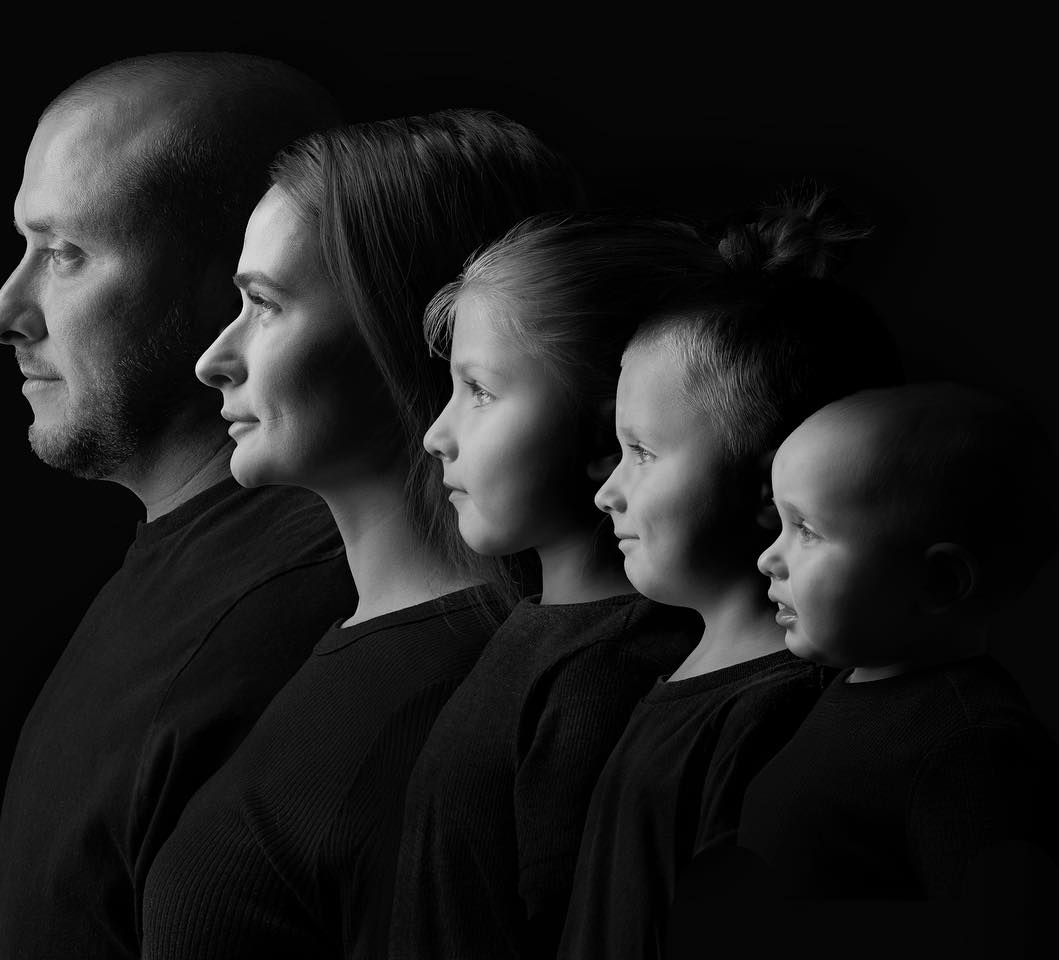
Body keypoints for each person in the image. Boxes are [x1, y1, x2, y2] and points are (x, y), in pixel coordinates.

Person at [140, 109, 583, 960]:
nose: (214, 359)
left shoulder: (452, 711)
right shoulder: (350, 645)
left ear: (415, 330)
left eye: (265, 305)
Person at [0, 54, 358, 960]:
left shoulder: (289, 625)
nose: (3, 313)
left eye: (65, 254)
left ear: (243, 276)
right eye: (24, 246)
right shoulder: (186, 566)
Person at [557, 192, 904, 960]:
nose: (608, 490)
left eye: (642, 452)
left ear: (771, 485)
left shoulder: (780, 719)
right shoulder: (684, 676)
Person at [389, 213, 711, 959]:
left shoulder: (606, 678)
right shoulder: (543, 631)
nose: (436, 434)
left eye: (478, 391)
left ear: (608, 434)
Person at [732, 383, 1059, 956]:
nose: (768, 558)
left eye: (806, 530)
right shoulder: (851, 686)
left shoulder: (973, 747)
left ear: (938, 582)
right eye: (780, 524)